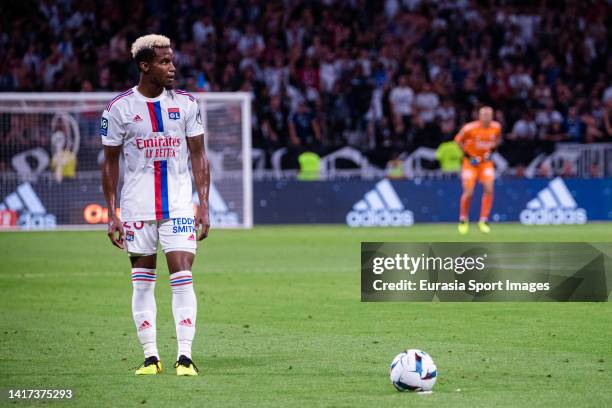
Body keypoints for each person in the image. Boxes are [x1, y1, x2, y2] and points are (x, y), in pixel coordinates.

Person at [100, 34, 210, 376]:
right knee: (142, 282)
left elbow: (199, 156)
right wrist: (111, 213)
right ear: (145, 66)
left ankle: (185, 356)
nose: (172, 67)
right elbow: (109, 163)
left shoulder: (187, 104)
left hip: (177, 205)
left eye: (172, 60)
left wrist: (203, 205)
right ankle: (151, 357)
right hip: (136, 209)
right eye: (164, 62)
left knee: (182, 273)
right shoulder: (119, 109)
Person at [454, 106, 501, 234]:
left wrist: (491, 153)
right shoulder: (469, 128)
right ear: (479, 116)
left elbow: (497, 141)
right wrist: (469, 156)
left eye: (489, 115)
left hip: (485, 163)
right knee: (468, 192)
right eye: (484, 115)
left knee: (489, 189)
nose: (487, 117)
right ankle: (463, 219)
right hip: (470, 164)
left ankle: (483, 220)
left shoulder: (496, 127)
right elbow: (457, 141)